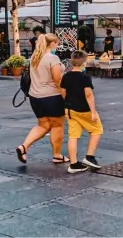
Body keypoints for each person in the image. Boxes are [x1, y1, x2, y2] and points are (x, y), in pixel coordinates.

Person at [16, 33, 66, 165]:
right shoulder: (52, 58)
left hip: (35, 97)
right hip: (52, 96)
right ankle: (57, 155)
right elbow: (58, 79)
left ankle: (24, 147)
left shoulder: (35, 57)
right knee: (57, 126)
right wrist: (65, 95)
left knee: (43, 125)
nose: (58, 46)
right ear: (52, 43)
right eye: (57, 43)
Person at [60, 50, 102, 173]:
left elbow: (63, 92)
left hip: (70, 110)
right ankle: (89, 157)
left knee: (73, 136)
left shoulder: (66, 76)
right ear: (84, 63)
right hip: (84, 110)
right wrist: (93, 112)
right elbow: (88, 95)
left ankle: (73, 164)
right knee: (96, 130)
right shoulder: (85, 77)